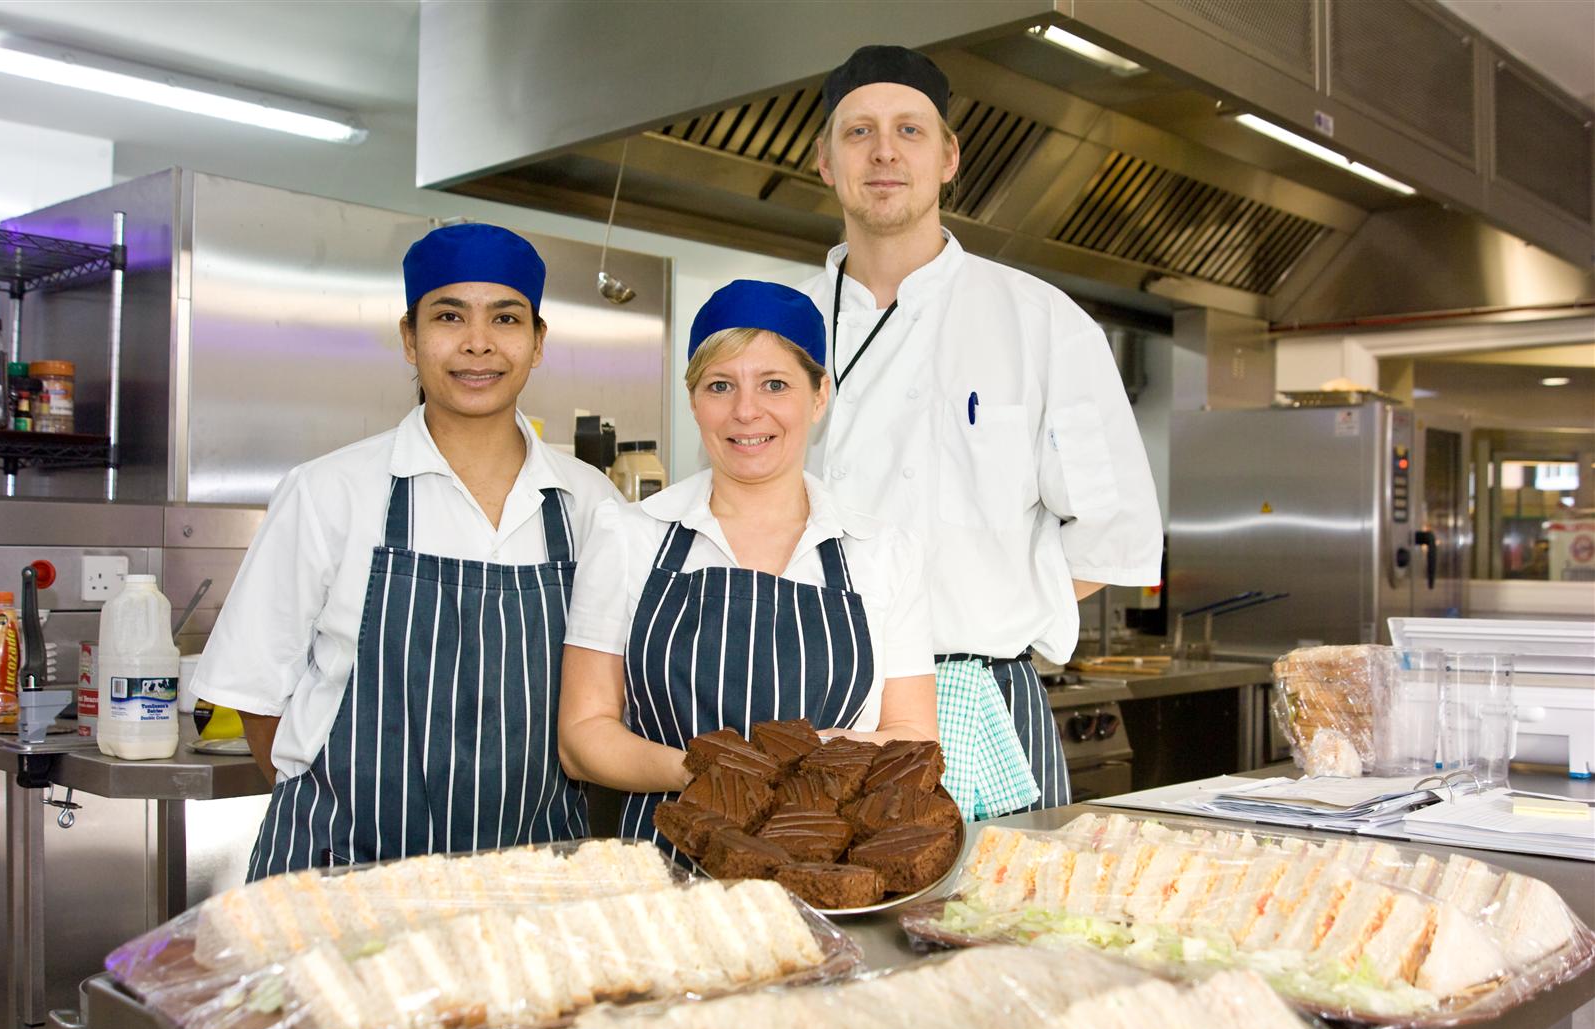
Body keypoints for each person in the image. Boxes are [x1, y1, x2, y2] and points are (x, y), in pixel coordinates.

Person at [192, 223, 621, 879]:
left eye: (505, 318)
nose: (477, 343)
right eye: (449, 315)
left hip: (532, 882)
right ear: (409, 338)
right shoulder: (328, 492)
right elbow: (256, 695)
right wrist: (341, 818)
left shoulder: (590, 505)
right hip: (342, 874)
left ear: (537, 344)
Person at [802, 45, 1163, 816]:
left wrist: (994, 611)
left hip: (980, 699)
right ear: (825, 162)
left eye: (910, 130)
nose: (885, 151)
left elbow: (1117, 527)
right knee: (818, 929)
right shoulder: (777, 324)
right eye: (858, 132)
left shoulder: (1039, 323)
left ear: (949, 158)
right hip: (813, 703)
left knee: (1015, 929)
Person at [557, 280, 937, 859]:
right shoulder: (629, 535)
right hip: (663, 865)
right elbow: (583, 738)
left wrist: (807, 760)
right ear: (693, 401)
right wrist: (704, 773)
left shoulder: (881, 551)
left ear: (819, 398)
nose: (745, 411)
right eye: (720, 385)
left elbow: (913, 735)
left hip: (831, 868)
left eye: (775, 384)